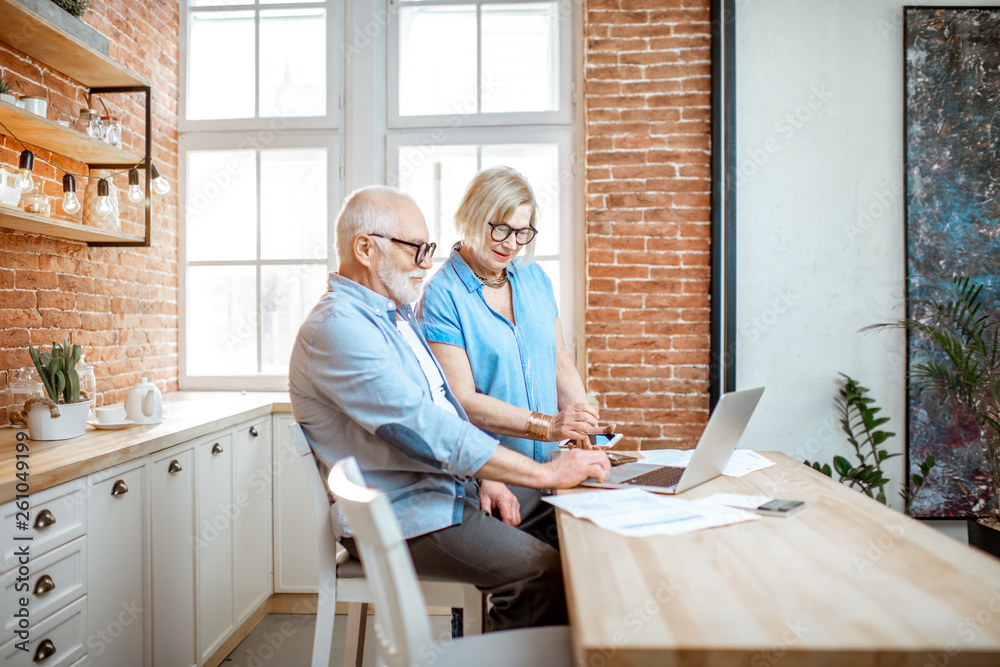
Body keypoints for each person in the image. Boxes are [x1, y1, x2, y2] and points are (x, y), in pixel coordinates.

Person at [288, 185, 610, 631]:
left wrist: (489, 474)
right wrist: (545, 473)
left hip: (448, 493)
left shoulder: (392, 315)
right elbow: (424, 429)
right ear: (365, 248)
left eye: (429, 249)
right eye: (415, 249)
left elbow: (445, 407)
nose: (426, 262)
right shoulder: (338, 328)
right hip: (408, 514)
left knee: (577, 520)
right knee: (543, 573)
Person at [416, 166, 610, 526]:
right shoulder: (442, 295)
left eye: (522, 232)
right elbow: (462, 401)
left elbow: (560, 365)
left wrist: (585, 431)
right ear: (472, 217)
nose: (511, 244)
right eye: (501, 229)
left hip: (555, 470)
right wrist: (547, 426)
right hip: (497, 479)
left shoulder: (534, 278)